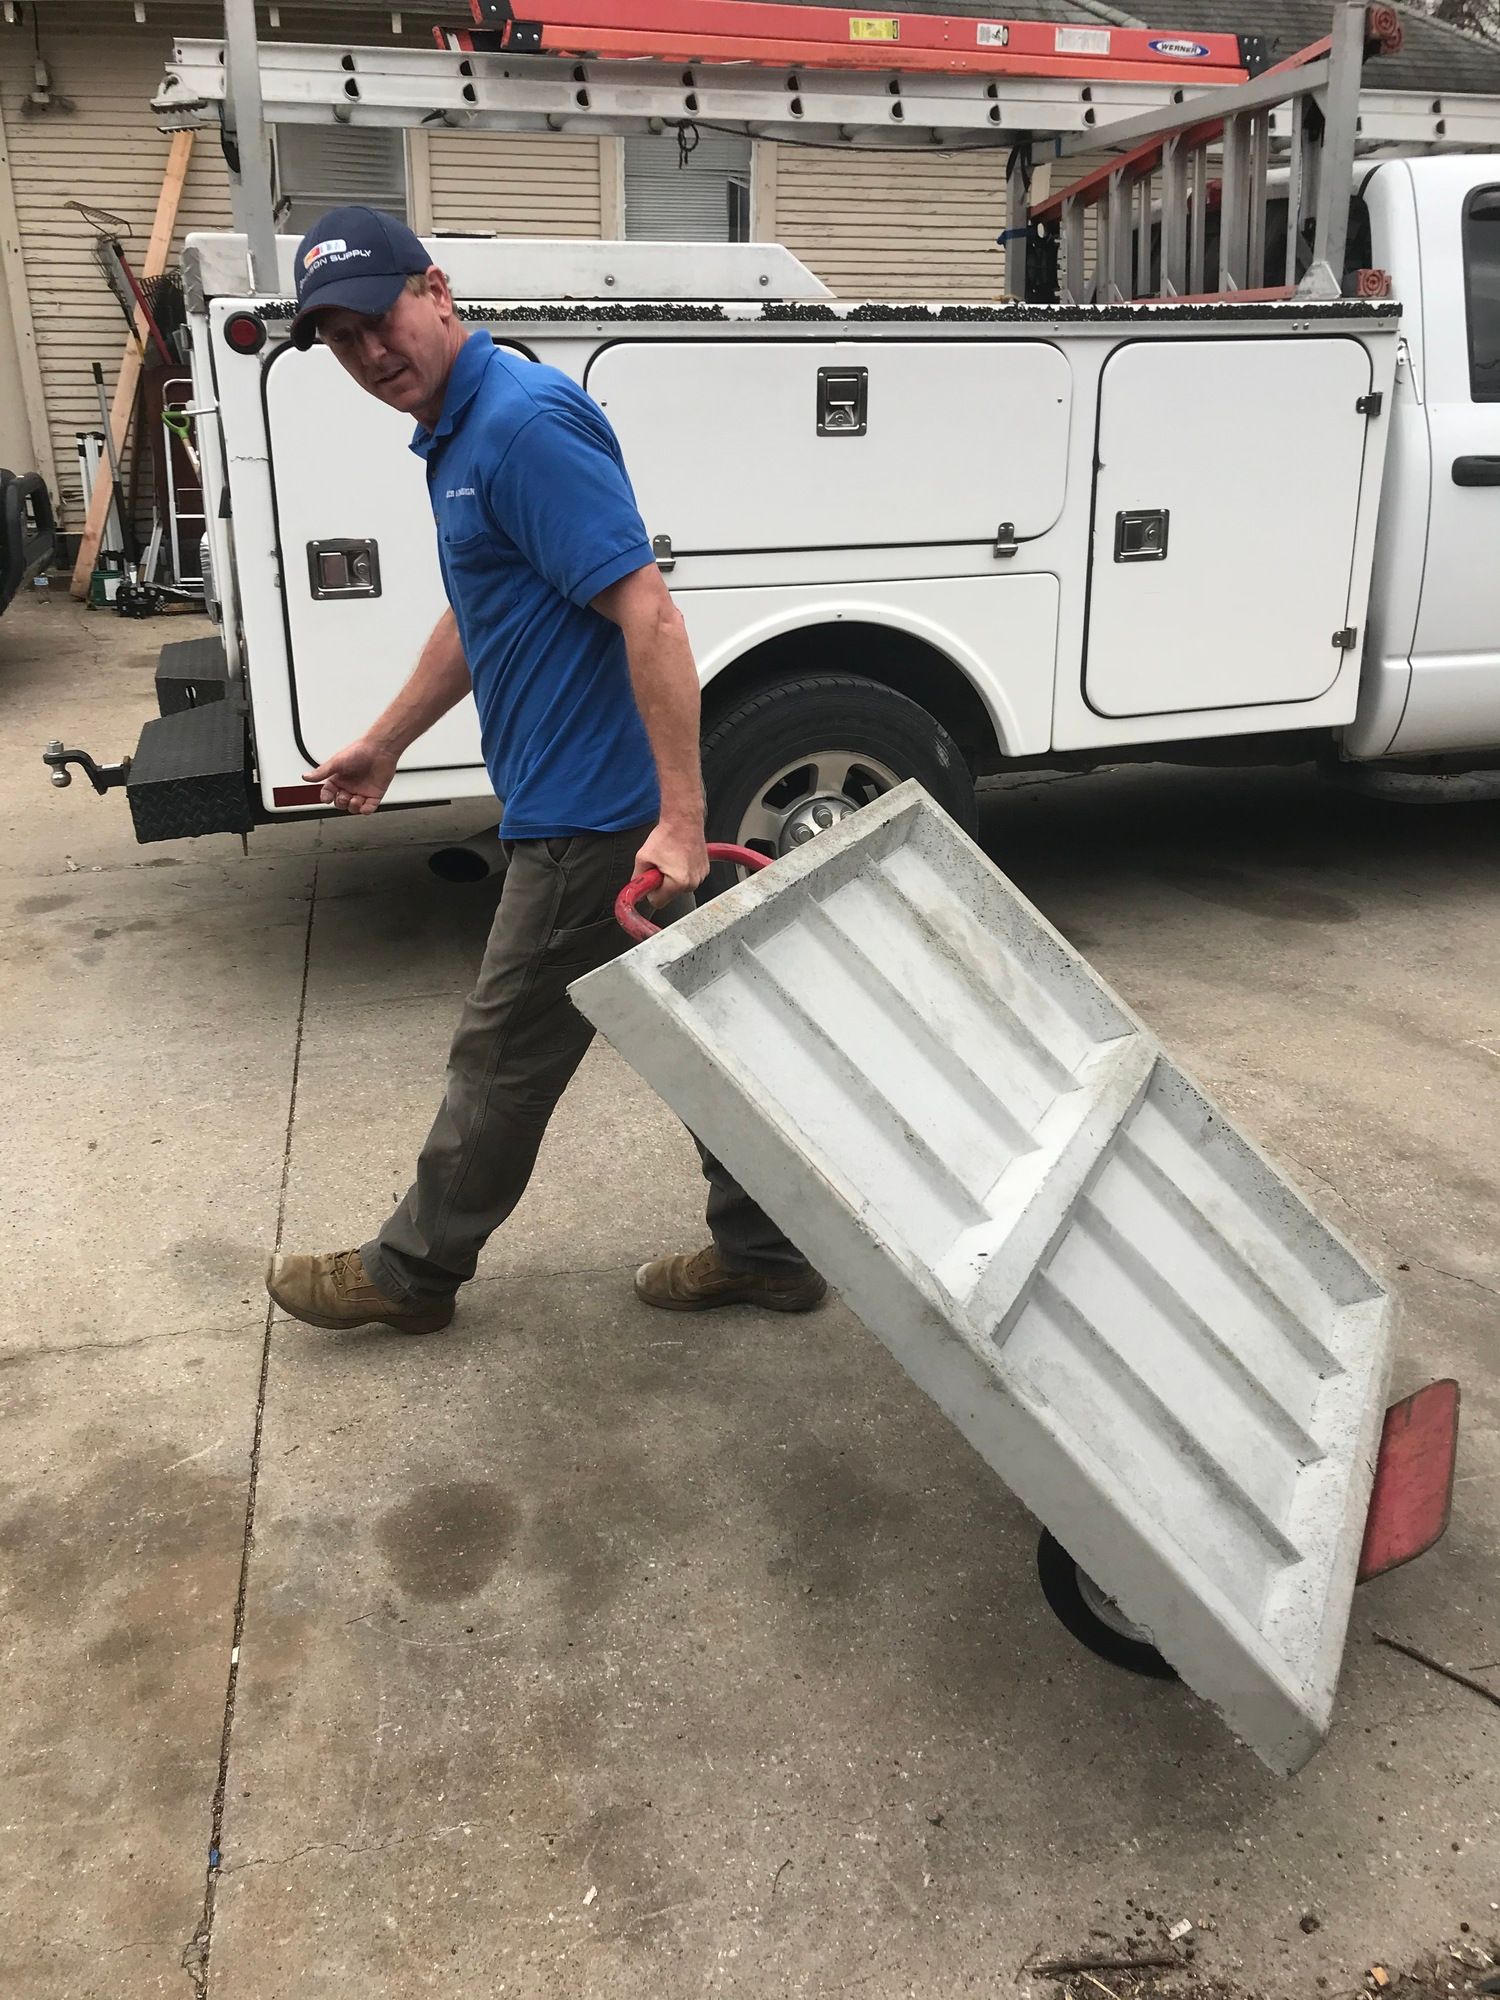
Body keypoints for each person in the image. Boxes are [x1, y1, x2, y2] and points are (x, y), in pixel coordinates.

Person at [266, 207, 825, 1335]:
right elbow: (485, 612)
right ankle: (768, 1251)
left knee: (502, 1052)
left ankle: (412, 1272)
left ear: (436, 291)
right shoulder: (459, 434)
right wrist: (387, 738)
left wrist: (677, 817)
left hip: (593, 823)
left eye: (380, 317)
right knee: (692, 1033)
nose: (371, 352)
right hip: (590, 806)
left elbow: (650, 614)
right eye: (339, 338)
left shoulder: (518, 425)